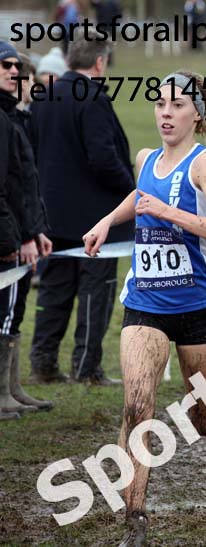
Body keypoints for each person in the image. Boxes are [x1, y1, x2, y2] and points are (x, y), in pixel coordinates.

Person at [83, 70, 206, 546]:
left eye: (176, 105)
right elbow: (143, 195)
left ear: (196, 112)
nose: (165, 113)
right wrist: (107, 220)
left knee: (205, 418)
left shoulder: (203, 164)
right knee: (136, 407)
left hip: (197, 306)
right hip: (145, 302)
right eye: (159, 104)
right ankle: (136, 519)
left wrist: (169, 213)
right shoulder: (146, 158)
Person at [28, 33, 134, 385]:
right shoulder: (92, 97)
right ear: (100, 62)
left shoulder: (44, 95)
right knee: (95, 293)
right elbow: (103, 158)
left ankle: (43, 362)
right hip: (95, 218)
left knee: (54, 291)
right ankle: (87, 368)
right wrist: (132, 190)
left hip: (51, 216)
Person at [0, 44, 54, 417]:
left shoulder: (13, 120)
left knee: (13, 313)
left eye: (17, 66)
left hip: (19, 233)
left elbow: (25, 183)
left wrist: (36, 230)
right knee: (4, 314)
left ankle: (11, 388)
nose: (14, 72)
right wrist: (16, 239)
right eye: (5, 66)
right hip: (7, 240)